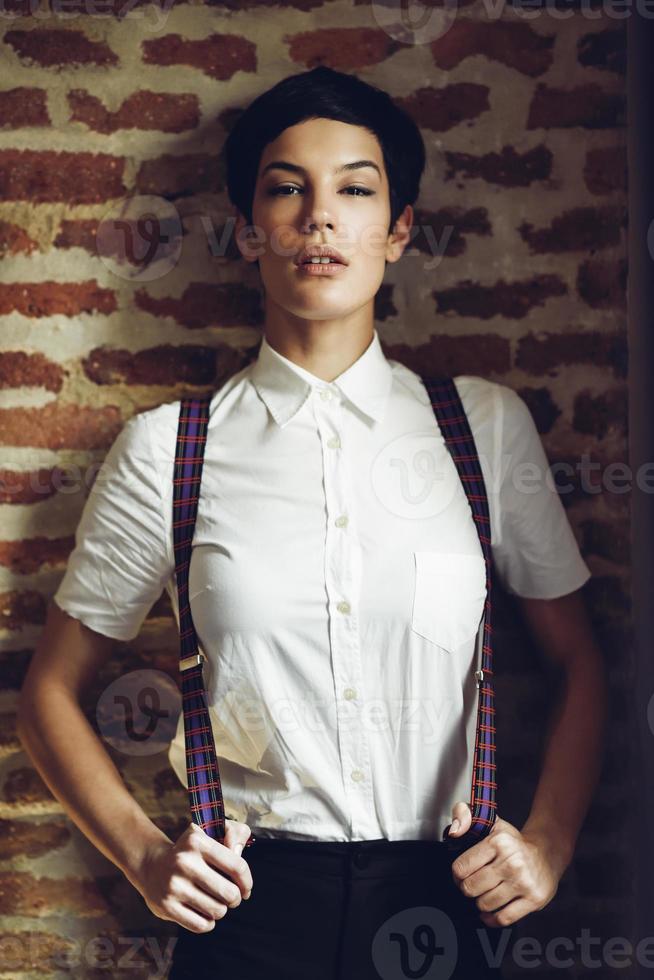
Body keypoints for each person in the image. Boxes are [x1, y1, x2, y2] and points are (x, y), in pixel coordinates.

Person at [18, 67, 607, 980]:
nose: (320, 216)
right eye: (287, 188)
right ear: (251, 230)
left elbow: (577, 660)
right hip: (250, 910)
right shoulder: (168, 450)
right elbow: (50, 693)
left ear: (399, 229)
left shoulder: (482, 427)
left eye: (355, 189)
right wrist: (144, 857)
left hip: (445, 904)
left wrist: (551, 845)